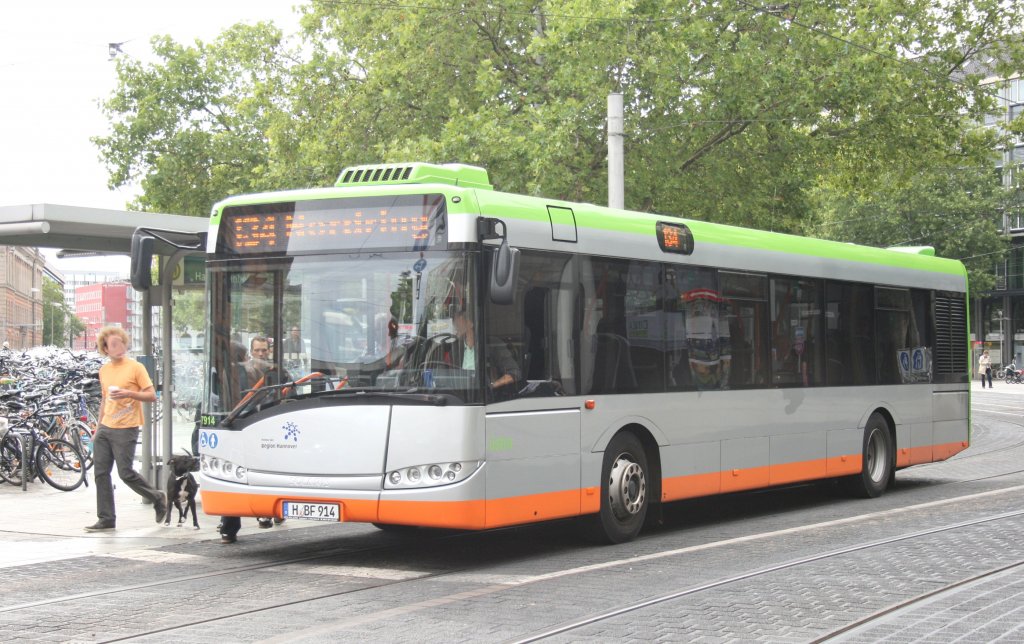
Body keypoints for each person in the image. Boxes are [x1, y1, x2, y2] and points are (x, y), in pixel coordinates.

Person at [85, 327, 166, 532]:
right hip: (106, 426)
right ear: (105, 348)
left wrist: (129, 393)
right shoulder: (104, 370)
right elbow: (104, 399)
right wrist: (98, 428)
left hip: (127, 427)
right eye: (114, 344)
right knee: (100, 473)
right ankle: (106, 518)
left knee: (125, 473)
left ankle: (157, 497)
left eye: (121, 342)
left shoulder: (135, 367)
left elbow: (151, 395)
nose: (119, 347)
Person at [451, 308, 519, 395]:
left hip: (487, 398)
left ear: (470, 323)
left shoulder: (492, 344)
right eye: (454, 322)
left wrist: (492, 386)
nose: (455, 325)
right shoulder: (456, 348)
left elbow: (514, 373)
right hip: (460, 396)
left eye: (458, 320)